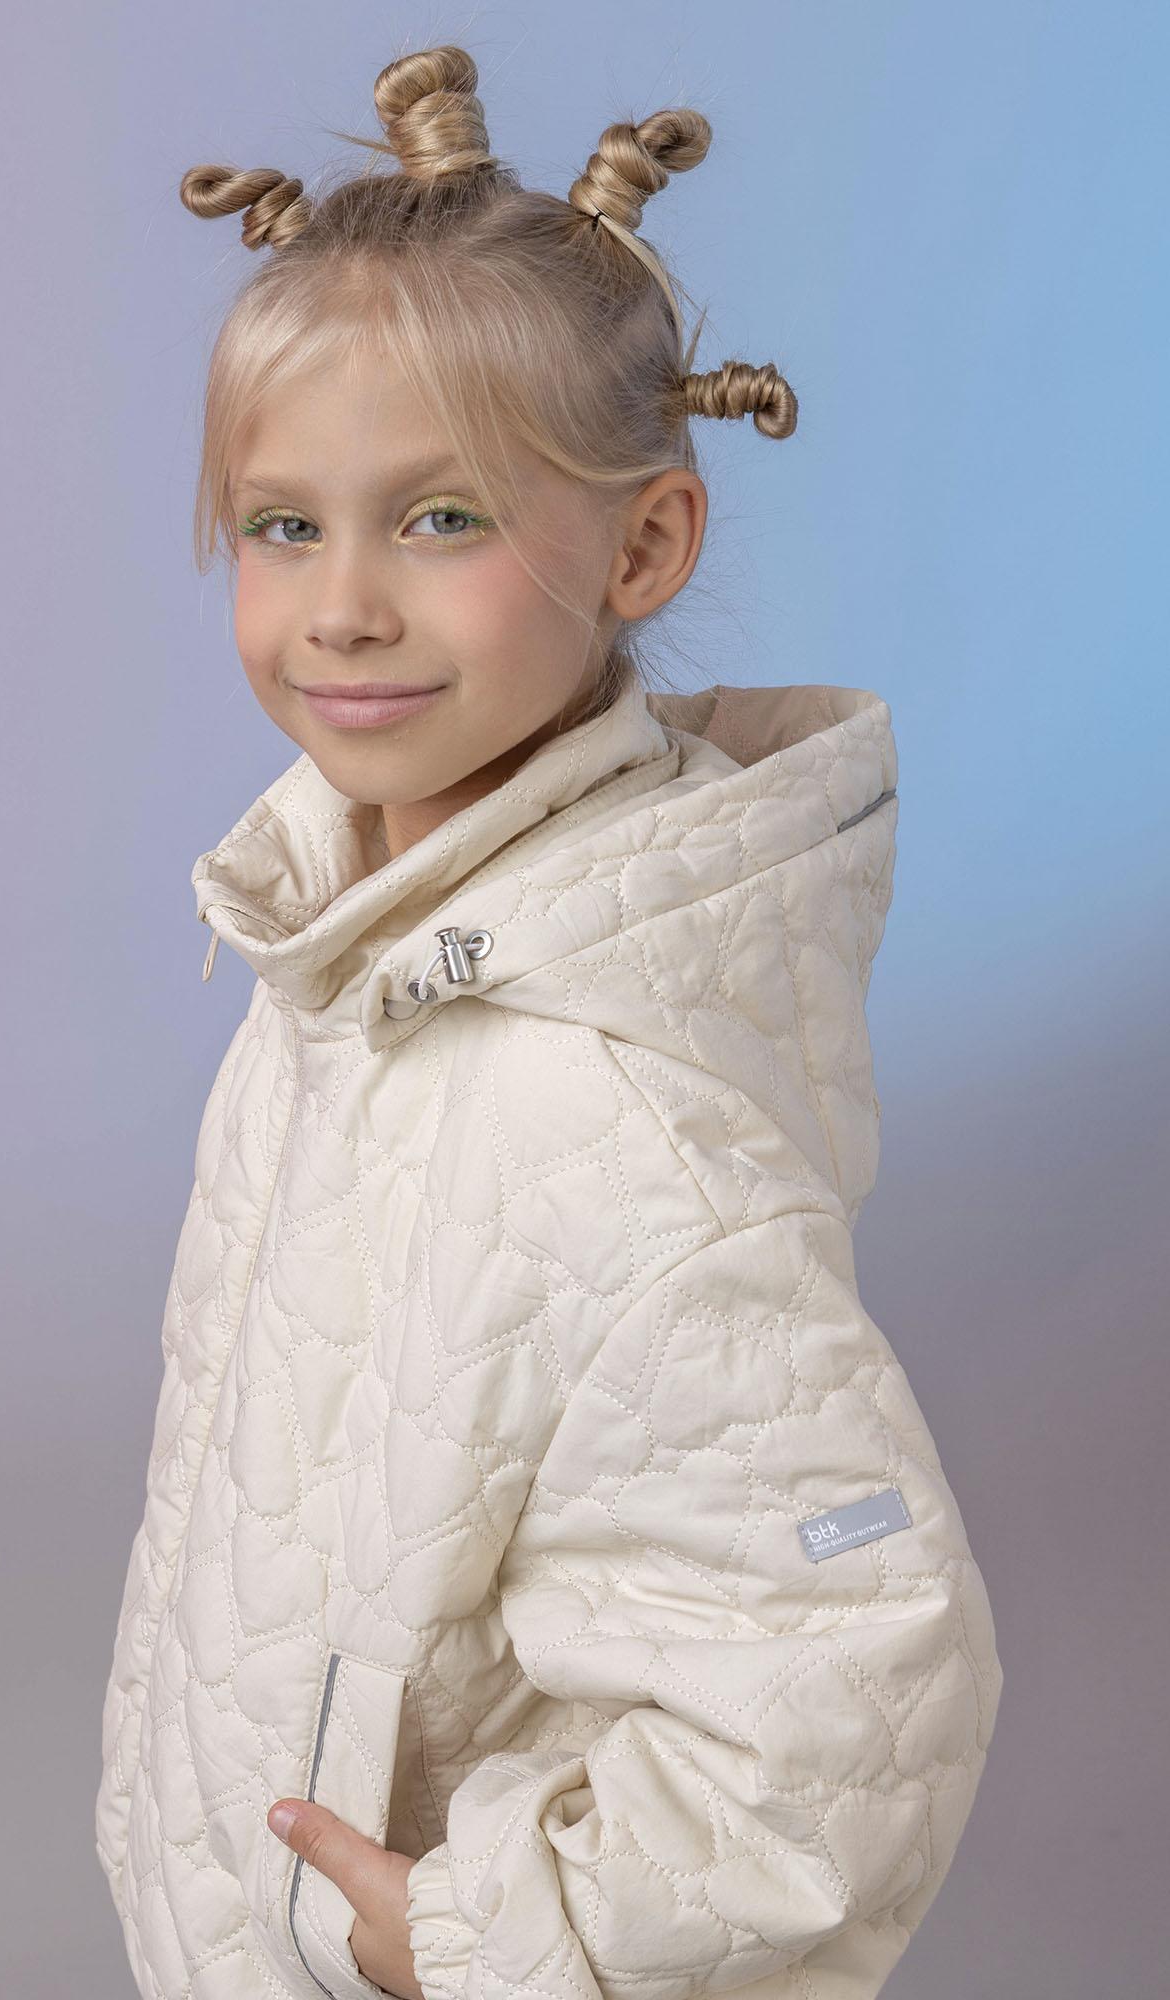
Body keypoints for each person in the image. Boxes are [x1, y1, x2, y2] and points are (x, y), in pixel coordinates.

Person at [95, 43, 1002, 2000]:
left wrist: (482, 1941)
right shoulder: (352, 964)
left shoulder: (599, 1104)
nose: (341, 607)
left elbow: (853, 1706)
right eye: (281, 524)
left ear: (644, 546)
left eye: (440, 520)